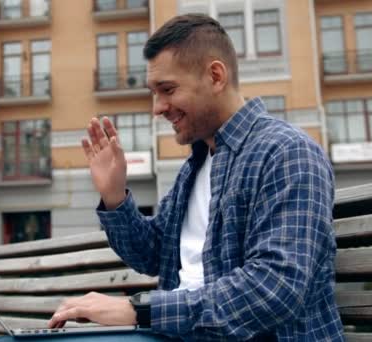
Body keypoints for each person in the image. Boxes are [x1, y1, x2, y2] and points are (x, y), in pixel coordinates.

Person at [48, 14, 345, 341]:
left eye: (168, 89)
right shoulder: (196, 166)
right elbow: (153, 255)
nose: (157, 108)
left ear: (216, 76)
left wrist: (140, 311)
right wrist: (115, 196)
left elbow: (274, 288)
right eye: (154, 93)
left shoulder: (287, 153)